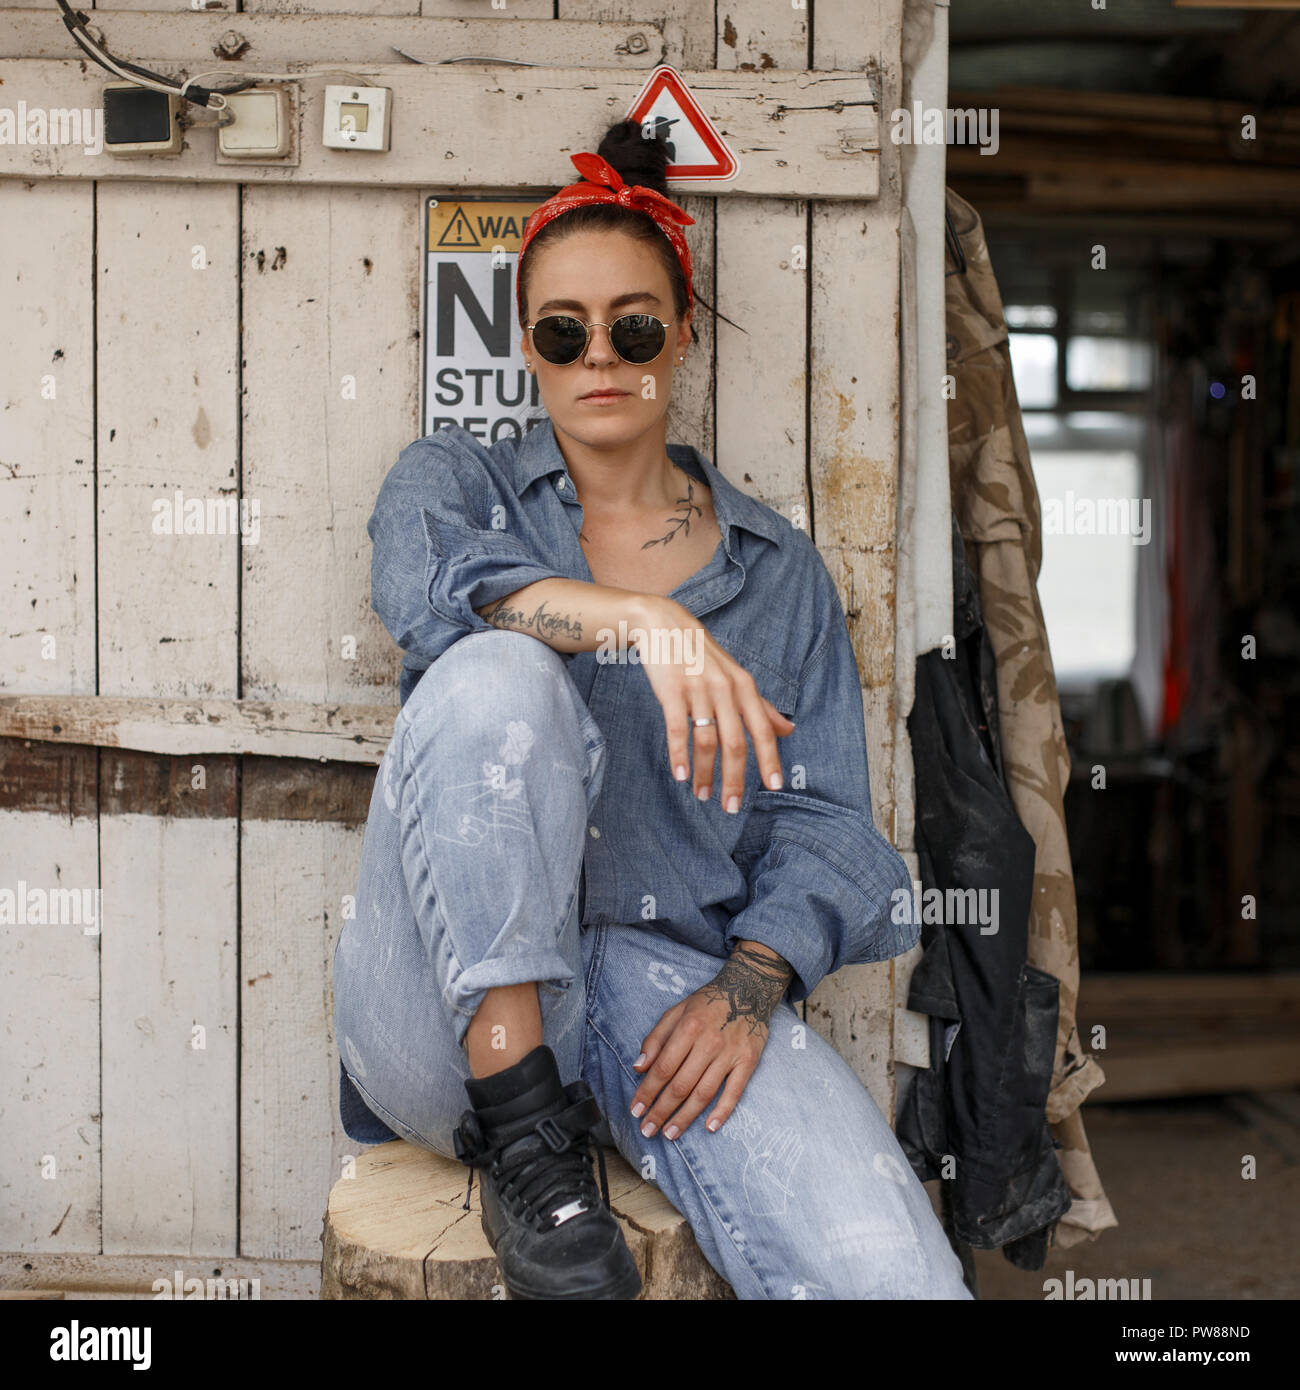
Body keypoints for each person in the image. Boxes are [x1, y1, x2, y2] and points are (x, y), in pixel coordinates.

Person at [332, 119, 973, 1302]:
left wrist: (750, 985)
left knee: (895, 1275)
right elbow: (431, 606)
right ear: (525, 347)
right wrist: (643, 622)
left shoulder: (777, 574)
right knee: (494, 671)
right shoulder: (455, 482)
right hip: (437, 1013)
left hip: (657, 996)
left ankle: (584, 1120)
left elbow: (830, 821)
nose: (598, 357)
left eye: (632, 324)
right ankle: (529, 1138)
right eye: (560, 331)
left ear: (682, 331)